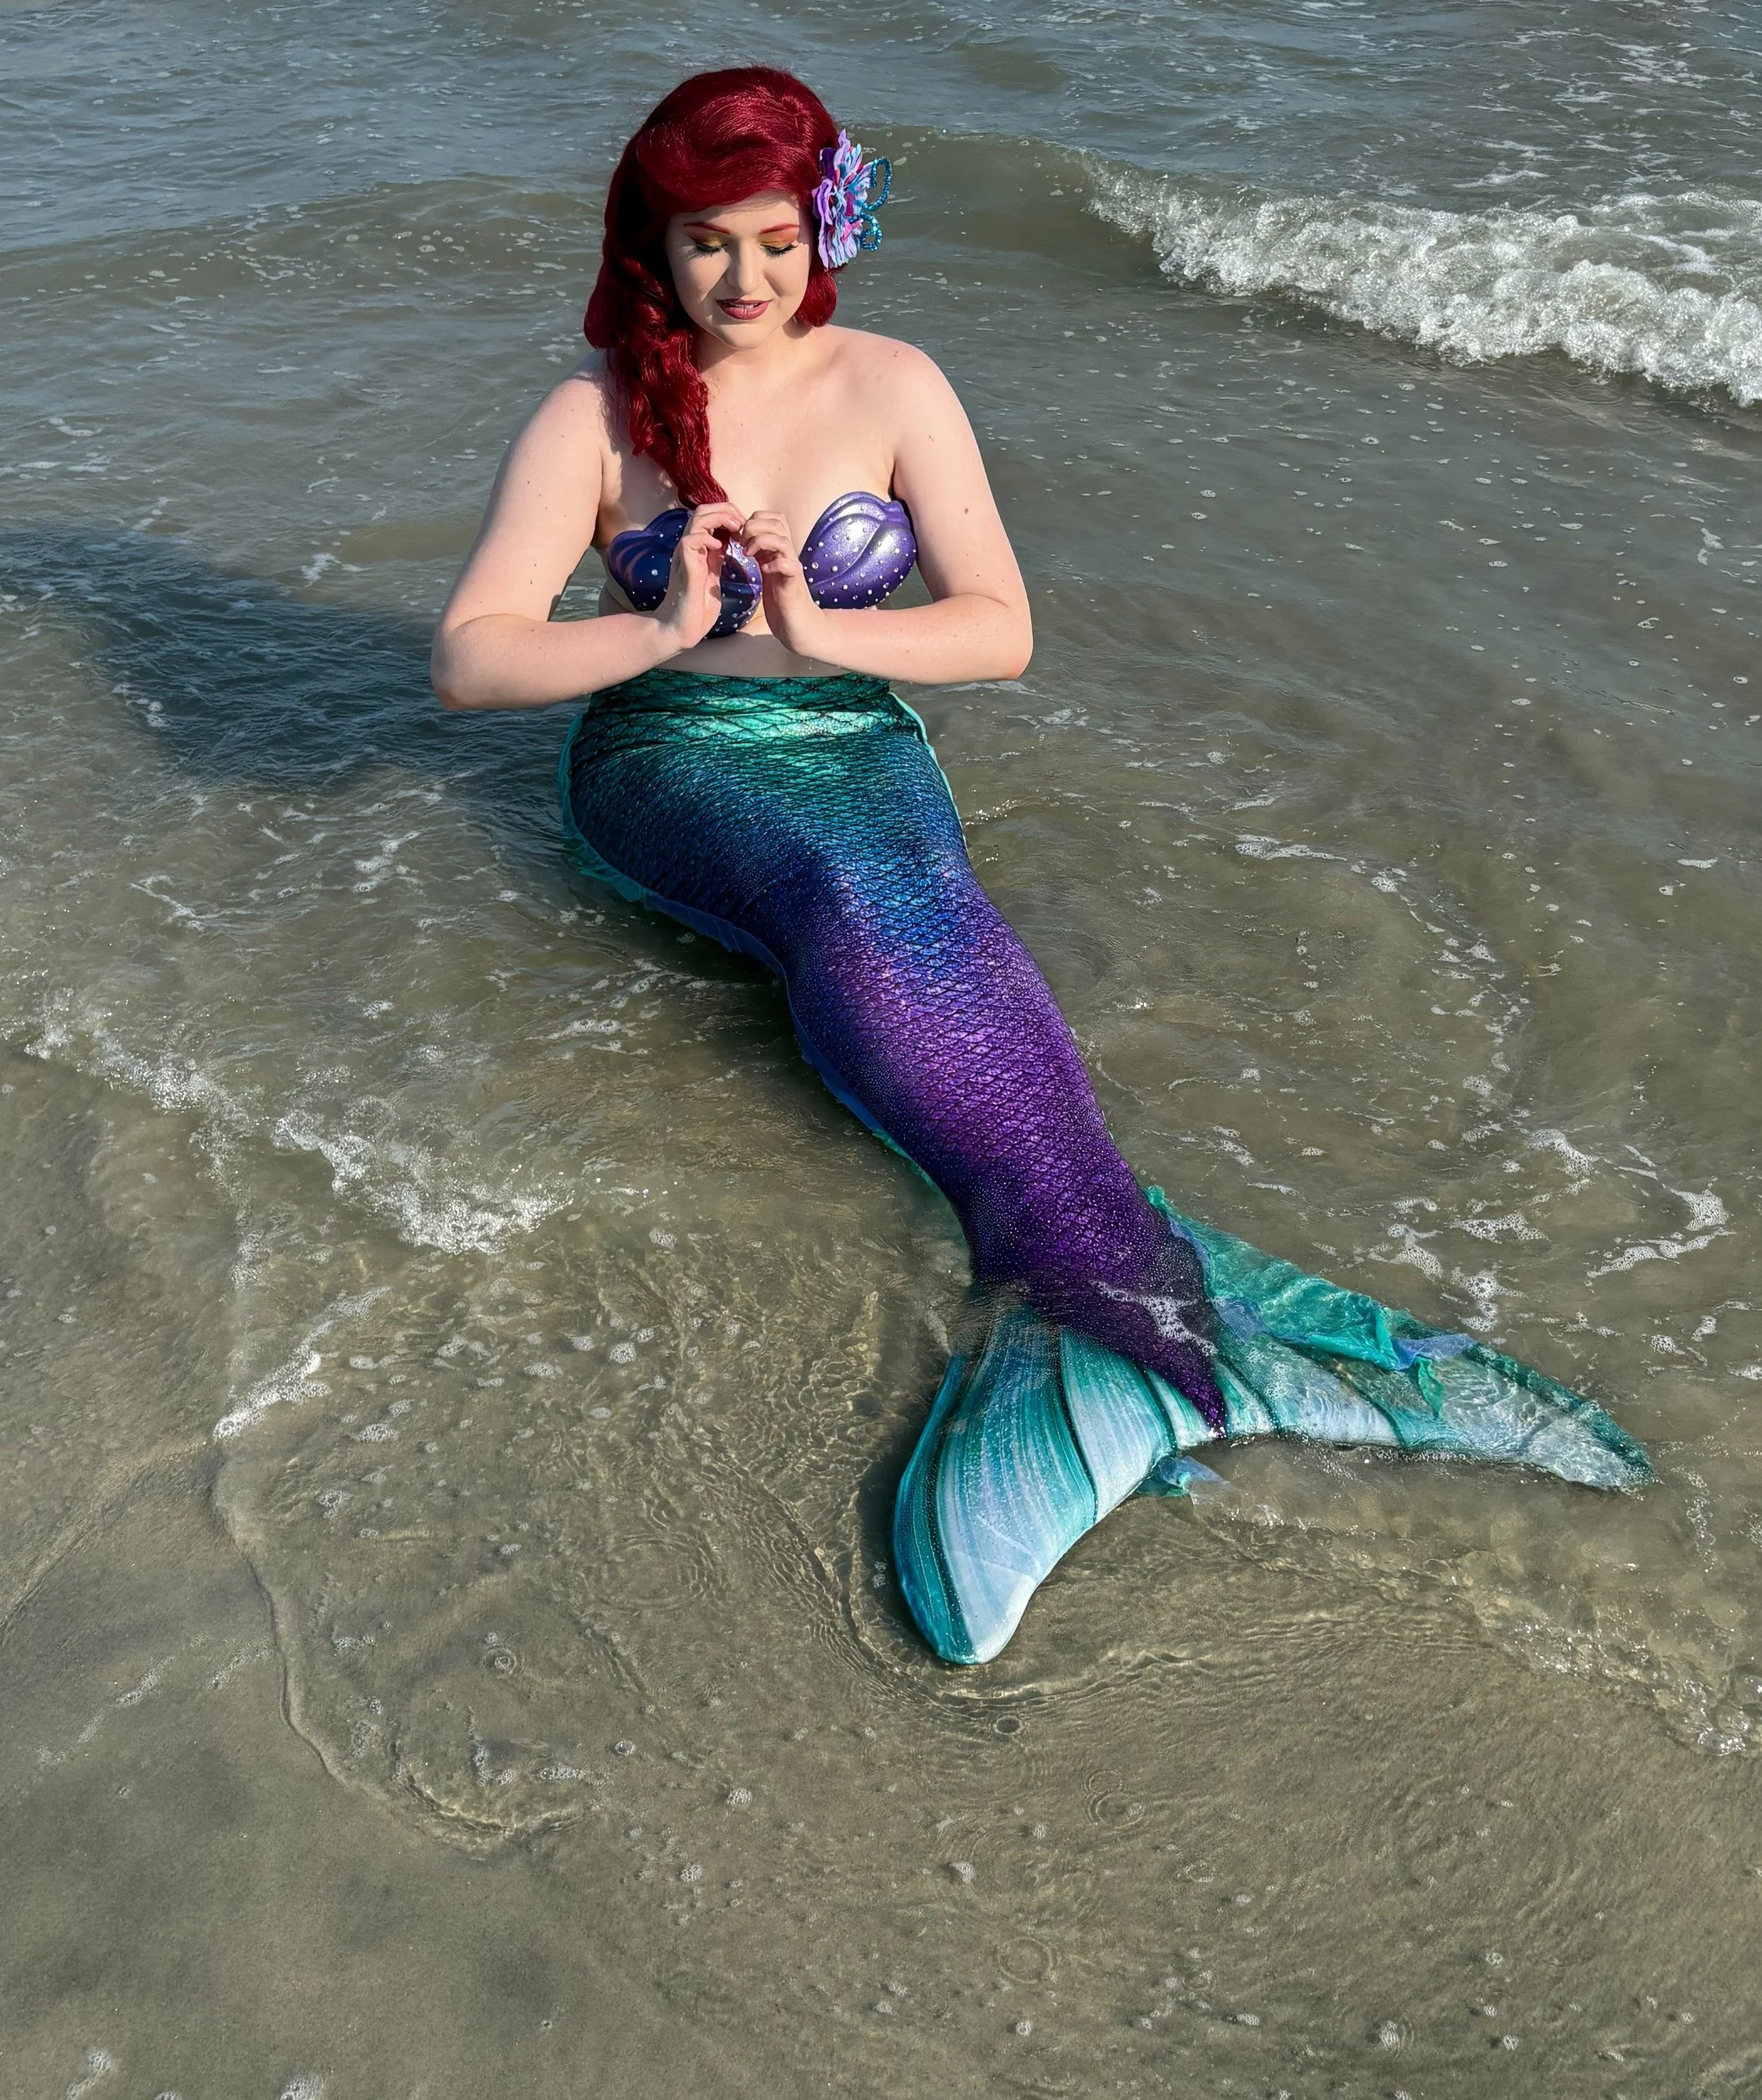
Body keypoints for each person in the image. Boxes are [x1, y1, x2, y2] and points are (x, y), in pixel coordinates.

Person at [432, 67, 1650, 1667]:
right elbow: (471, 658)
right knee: (837, 899)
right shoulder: (593, 413)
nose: (745, 279)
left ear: (824, 233)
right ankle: (1122, 1306)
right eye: (707, 244)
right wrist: (659, 627)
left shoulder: (892, 386)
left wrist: (823, 631)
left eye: (774, 240)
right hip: (665, 760)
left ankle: (1097, 1295)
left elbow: (998, 627)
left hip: (858, 737)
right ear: (649, 248)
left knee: (920, 898)